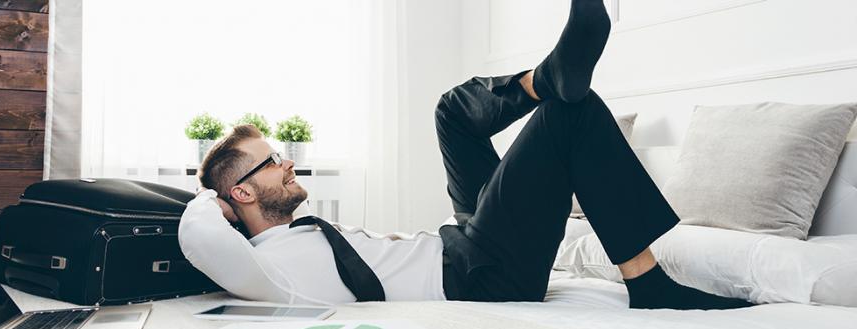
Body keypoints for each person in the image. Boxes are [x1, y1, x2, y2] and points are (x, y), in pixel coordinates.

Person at [179, 0, 753, 310]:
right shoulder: (264, 272)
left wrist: (231, 195)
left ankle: (544, 78)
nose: (288, 163)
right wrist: (211, 196)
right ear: (242, 193)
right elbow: (198, 232)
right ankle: (647, 283)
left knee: (449, 111)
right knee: (568, 115)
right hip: (484, 272)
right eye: (271, 161)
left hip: (466, 241)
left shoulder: (290, 241)